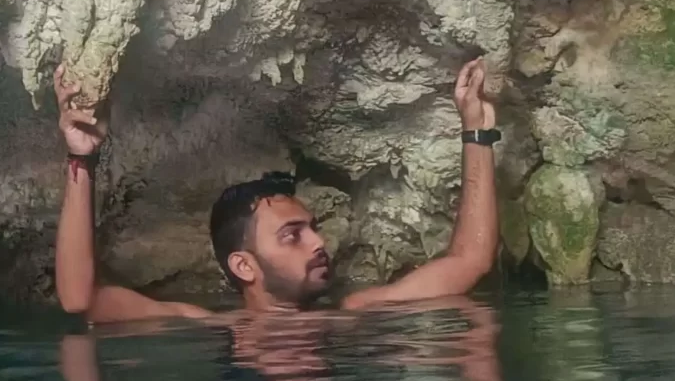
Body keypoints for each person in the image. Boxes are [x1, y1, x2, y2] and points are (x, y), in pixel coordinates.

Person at [53, 56, 502, 321]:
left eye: (311, 227)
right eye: (293, 234)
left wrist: (477, 129)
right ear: (244, 266)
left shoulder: (360, 311)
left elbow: (470, 259)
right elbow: (80, 300)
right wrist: (81, 157)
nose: (319, 242)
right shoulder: (203, 326)